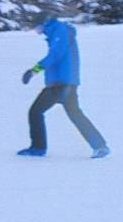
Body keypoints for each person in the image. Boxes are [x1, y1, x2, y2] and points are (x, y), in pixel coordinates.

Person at [19, 16, 109, 158]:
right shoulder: (58, 31)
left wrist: (33, 70)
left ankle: (38, 148)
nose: (36, 31)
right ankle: (100, 146)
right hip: (66, 82)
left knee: (35, 112)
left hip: (61, 83)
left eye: (36, 27)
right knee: (75, 114)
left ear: (42, 23)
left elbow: (55, 55)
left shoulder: (59, 30)